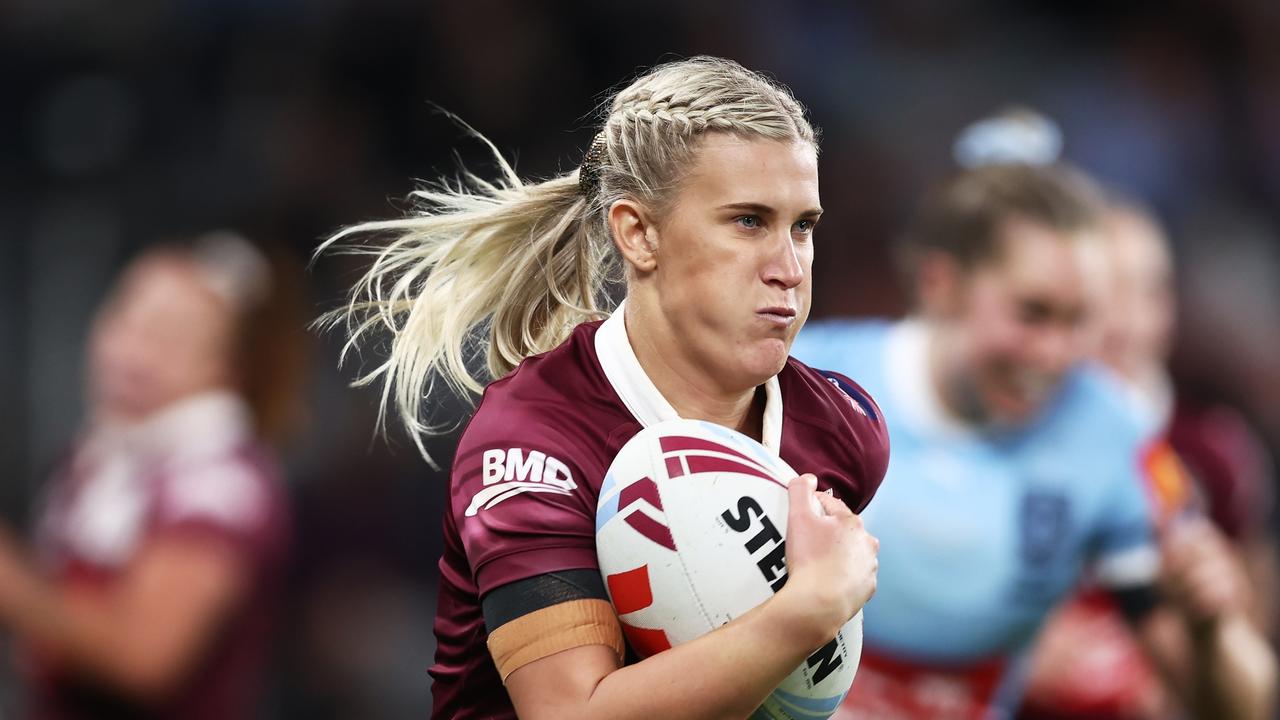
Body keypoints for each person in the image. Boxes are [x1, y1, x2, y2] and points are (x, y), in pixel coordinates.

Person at [321, 56, 889, 720]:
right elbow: (568, 713)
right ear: (638, 233)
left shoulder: (844, 428)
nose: (789, 268)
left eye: (803, 226)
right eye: (748, 222)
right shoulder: (533, 442)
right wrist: (809, 610)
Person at [790, 163, 1277, 720]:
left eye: (1079, 320)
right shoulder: (811, 378)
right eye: (1033, 313)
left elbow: (1246, 706)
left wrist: (1211, 628)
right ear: (940, 284)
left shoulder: (1110, 434)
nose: (1056, 353)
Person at [0, 234, 298, 718]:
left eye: (169, 336)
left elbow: (144, 658)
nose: (131, 351)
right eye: (125, 319)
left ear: (224, 369)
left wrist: (14, 585)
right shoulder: (105, 456)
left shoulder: (219, 487)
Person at [1016, 198, 1279, 720]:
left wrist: (1209, 635)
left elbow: (1248, 666)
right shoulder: (1010, 441)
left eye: (1146, 288)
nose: (1125, 317)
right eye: (1105, 293)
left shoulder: (1212, 450)